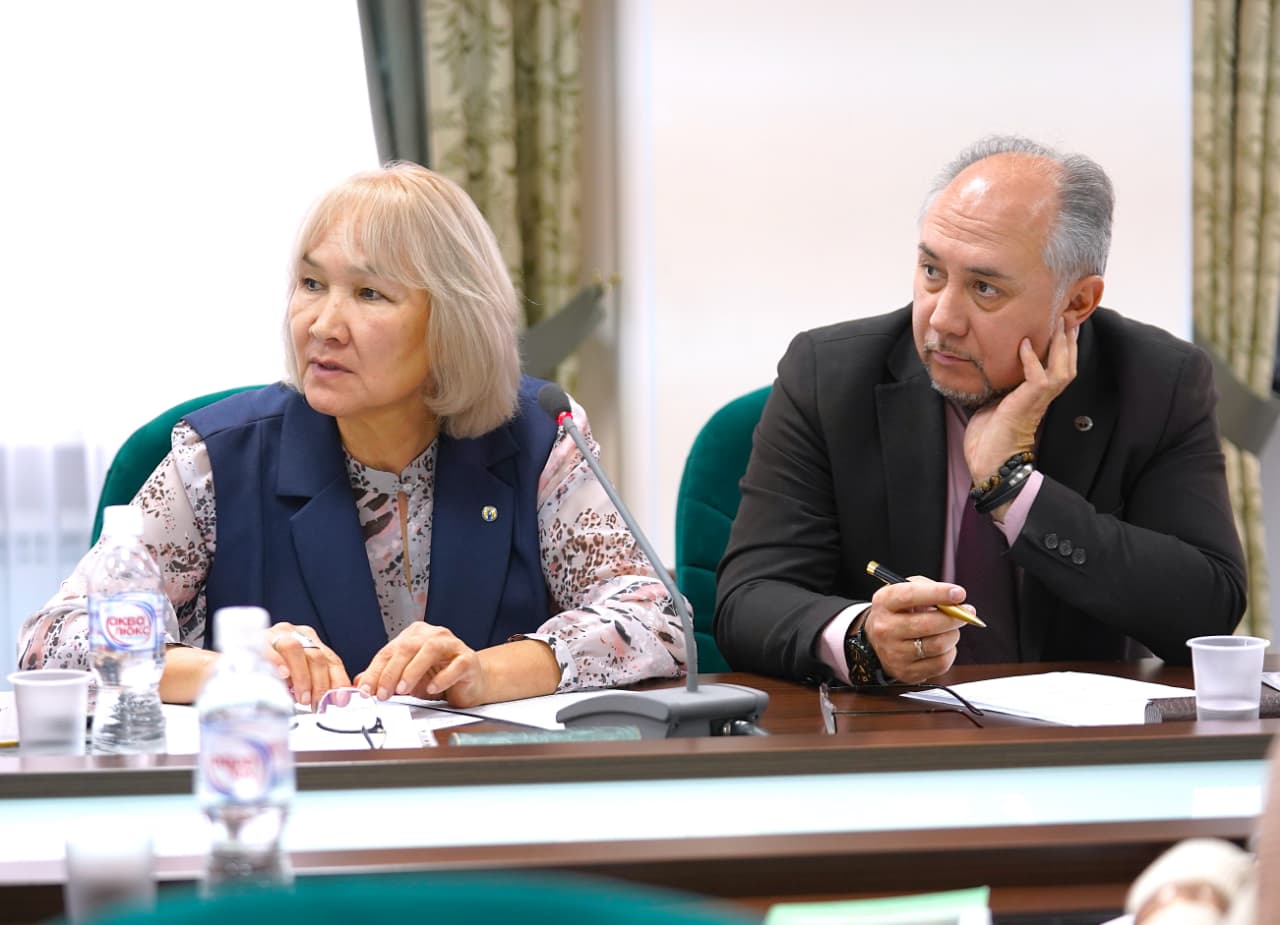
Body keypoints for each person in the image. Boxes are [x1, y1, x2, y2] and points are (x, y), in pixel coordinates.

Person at [20, 162, 685, 708]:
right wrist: (233, 668)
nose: (322, 324)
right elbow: (55, 639)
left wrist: (489, 671)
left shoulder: (539, 440)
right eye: (311, 283)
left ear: (452, 320)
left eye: (369, 294)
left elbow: (660, 620)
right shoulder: (217, 458)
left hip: (485, 795)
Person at [715, 135, 1246, 686]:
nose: (942, 319)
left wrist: (1012, 490)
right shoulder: (829, 376)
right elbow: (747, 600)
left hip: (1079, 733)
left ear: (1077, 301)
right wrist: (863, 636)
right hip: (886, 729)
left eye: (985, 288)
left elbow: (1206, 612)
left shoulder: (1156, 382)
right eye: (931, 271)